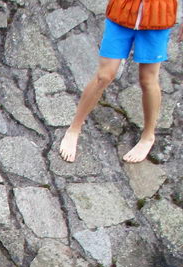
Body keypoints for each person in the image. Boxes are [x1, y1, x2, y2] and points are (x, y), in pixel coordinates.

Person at [59, 0, 182, 164]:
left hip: (157, 18)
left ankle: (148, 136)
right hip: (122, 12)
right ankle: (74, 128)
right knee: (104, 76)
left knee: (148, 79)